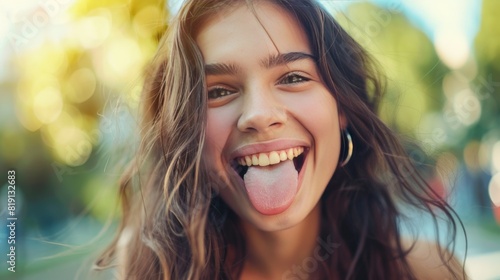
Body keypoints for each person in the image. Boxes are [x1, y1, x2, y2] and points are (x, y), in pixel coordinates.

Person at [95, 0, 467, 279]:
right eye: (219, 91)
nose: (258, 114)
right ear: (185, 130)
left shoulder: (428, 271)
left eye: (292, 78)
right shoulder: (149, 267)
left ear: (342, 108)